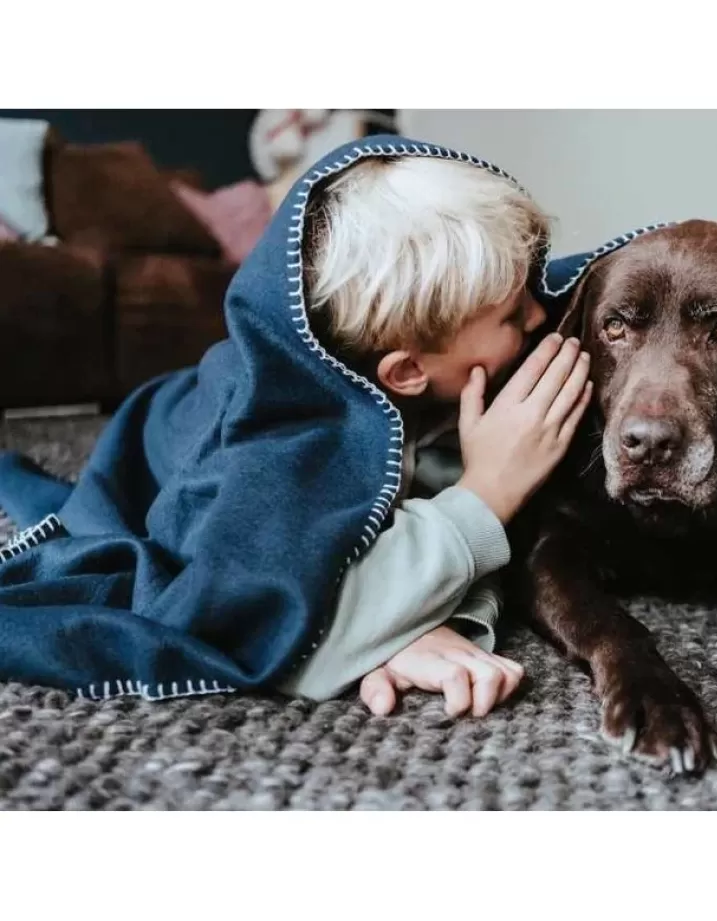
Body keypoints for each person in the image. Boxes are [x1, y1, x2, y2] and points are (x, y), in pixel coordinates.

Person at [0, 135, 590, 717]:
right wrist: (486, 494)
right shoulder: (279, 458)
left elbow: (374, 542)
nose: (538, 314)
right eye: (513, 316)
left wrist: (409, 619)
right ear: (406, 370)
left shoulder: (410, 387)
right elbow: (254, 616)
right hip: (166, 426)